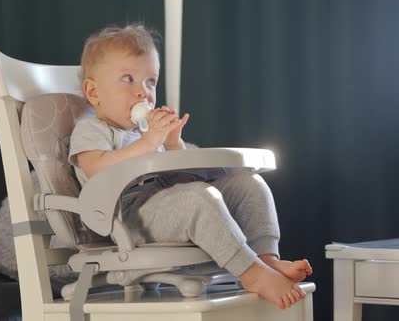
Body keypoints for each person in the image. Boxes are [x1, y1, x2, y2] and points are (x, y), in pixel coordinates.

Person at [68, 24, 312, 309]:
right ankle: (251, 272)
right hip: (129, 218)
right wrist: (148, 143)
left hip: (168, 204)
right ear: (93, 92)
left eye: (150, 82)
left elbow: (182, 180)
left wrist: (173, 145)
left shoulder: (149, 133)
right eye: (128, 79)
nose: (143, 93)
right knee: (199, 198)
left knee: (248, 183)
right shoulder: (92, 129)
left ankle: (266, 258)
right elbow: (96, 169)